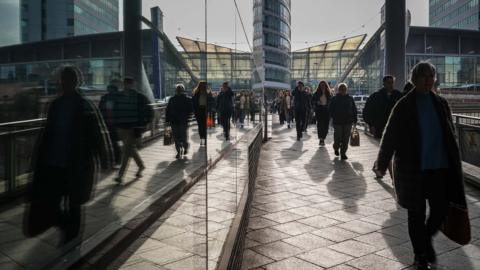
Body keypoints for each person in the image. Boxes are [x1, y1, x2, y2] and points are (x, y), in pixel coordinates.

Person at [374, 62, 468, 270]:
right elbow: (390, 136)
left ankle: (425, 240)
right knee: (416, 214)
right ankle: (420, 255)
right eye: (424, 76)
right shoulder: (404, 105)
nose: (428, 80)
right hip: (413, 170)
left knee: (441, 209)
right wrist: (381, 163)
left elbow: (450, 134)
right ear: (414, 79)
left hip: (440, 168)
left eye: (431, 76)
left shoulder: (441, 103)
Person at [25, 66, 112, 243]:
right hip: (54, 163)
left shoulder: (84, 105)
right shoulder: (55, 105)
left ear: (75, 82)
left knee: (74, 203)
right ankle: (67, 227)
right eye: (62, 79)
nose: (63, 83)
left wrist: (104, 158)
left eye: (67, 80)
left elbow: (97, 134)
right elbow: (46, 133)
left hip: (76, 164)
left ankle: (71, 238)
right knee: (52, 203)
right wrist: (37, 159)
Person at [114, 77, 153, 183]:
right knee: (130, 149)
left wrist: (144, 124)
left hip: (133, 128)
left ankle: (120, 176)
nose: (127, 86)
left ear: (133, 85)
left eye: (129, 84)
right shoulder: (118, 96)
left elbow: (150, 110)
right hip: (121, 128)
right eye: (126, 84)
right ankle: (141, 166)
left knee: (126, 151)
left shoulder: (139, 96)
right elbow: (115, 111)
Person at [328, 83, 357, 160]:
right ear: (338, 90)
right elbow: (330, 109)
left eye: (344, 89)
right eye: (341, 89)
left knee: (346, 138)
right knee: (338, 137)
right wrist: (333, 116)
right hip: (337, 122)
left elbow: (354, 109)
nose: (343, 90)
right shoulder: (334, 99)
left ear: (346, 90)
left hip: (348, 122)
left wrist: (355, 120)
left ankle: (343, 153)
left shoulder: (350, 98)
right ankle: (336, 147)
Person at [99, 79, 122, 166]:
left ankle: (110, 160)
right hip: (114, 124)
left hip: (107, 123)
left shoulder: (104, 98)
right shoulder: (119, 97)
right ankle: (117, 160)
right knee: (115, 142)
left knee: (109, 142)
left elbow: (100, 110)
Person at [166, 84, 193, 158]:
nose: (178, 91)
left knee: (177, 137)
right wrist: (188, 117)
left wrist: (167, 121)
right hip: (181, 121)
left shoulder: (172, 99)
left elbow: (168, 110)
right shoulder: (187, 99)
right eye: (178, 90)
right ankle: (182, 149)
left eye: (178, 90)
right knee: (181, 136)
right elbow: (191, 110)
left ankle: (181, 149)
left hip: (176, 121)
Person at [312, 81, 332, 146]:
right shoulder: (316, 93)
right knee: (320, 125)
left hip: (327, 111)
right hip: (319, 110)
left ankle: (323, 137)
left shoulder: (329, 93)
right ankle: (321, 139)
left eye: (324, 85)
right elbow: (312, 101)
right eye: (321, 85)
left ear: (326, 86)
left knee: (326, 126)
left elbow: (332, 101)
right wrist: (317, 102)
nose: (322, 86)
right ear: (319, 86)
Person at [192, 81, 209, 145]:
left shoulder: (207, 93)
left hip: (205, 110)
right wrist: (194, 111)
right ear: (199, 86)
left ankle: (204, 138)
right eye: (201, 85)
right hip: (198, 111)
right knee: (200, 125)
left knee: (204, 125)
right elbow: (193, 103)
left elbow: (211, 101)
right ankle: (202, 138)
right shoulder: (196, 93)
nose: (202, 87)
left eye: (203, 86)